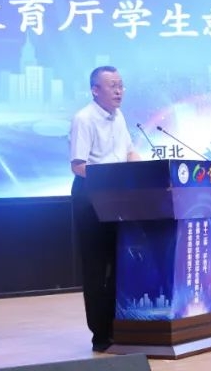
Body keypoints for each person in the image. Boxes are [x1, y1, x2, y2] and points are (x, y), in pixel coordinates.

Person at [69, 65, 142, 352]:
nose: (119, 91)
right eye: (112, 86)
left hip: (117, 195)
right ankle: (100, 334)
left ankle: (118, 325)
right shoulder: (84, 119)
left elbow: (128, 151)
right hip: (91, 197)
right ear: (95, 90)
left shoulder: (119, 116)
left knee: (119, 263)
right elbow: (78, 166)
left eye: (121, 85)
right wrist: (112, 177)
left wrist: (147, 171)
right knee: (97, 267)